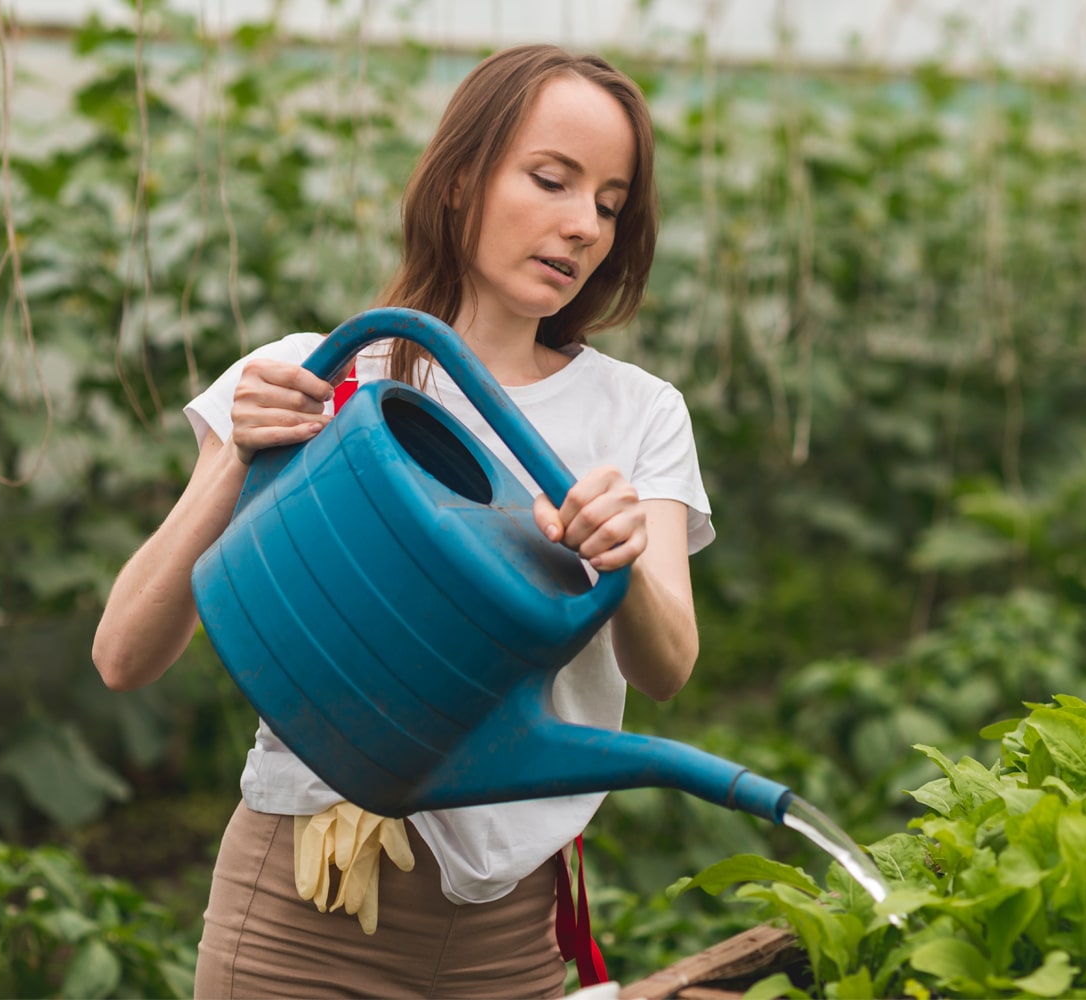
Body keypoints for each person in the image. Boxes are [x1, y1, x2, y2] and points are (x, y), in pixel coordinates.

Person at [92, 43, 713, 999]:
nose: (582, 224)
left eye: (609, 203)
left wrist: (622, 561)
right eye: (552, 180)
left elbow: (667, 669)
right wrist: (233, 463)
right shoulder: (320, 374)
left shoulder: (635, 415)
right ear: (461, 179)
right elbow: (124, 655)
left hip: (512, 934)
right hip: (300, 920)